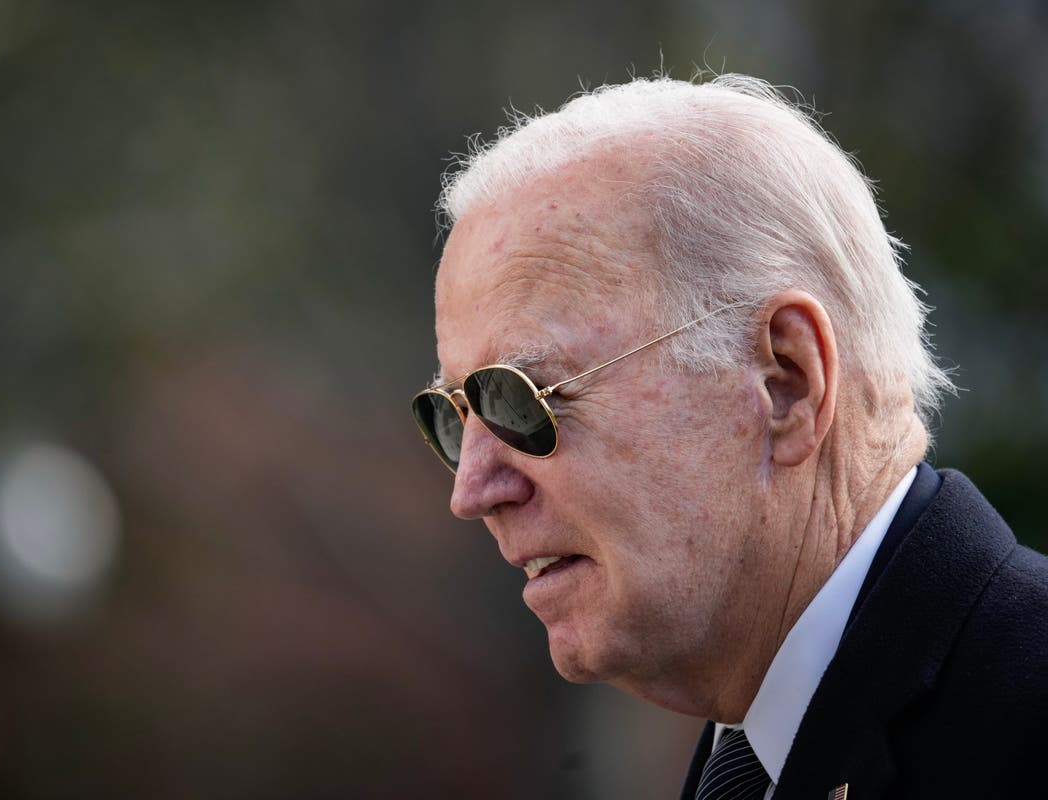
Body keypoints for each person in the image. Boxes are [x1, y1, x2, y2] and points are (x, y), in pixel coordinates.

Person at [410, 74, 1048, 799]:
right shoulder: (755, 756)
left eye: (519, 398)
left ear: (787, 382)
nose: (472, 491)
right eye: (452, 415)